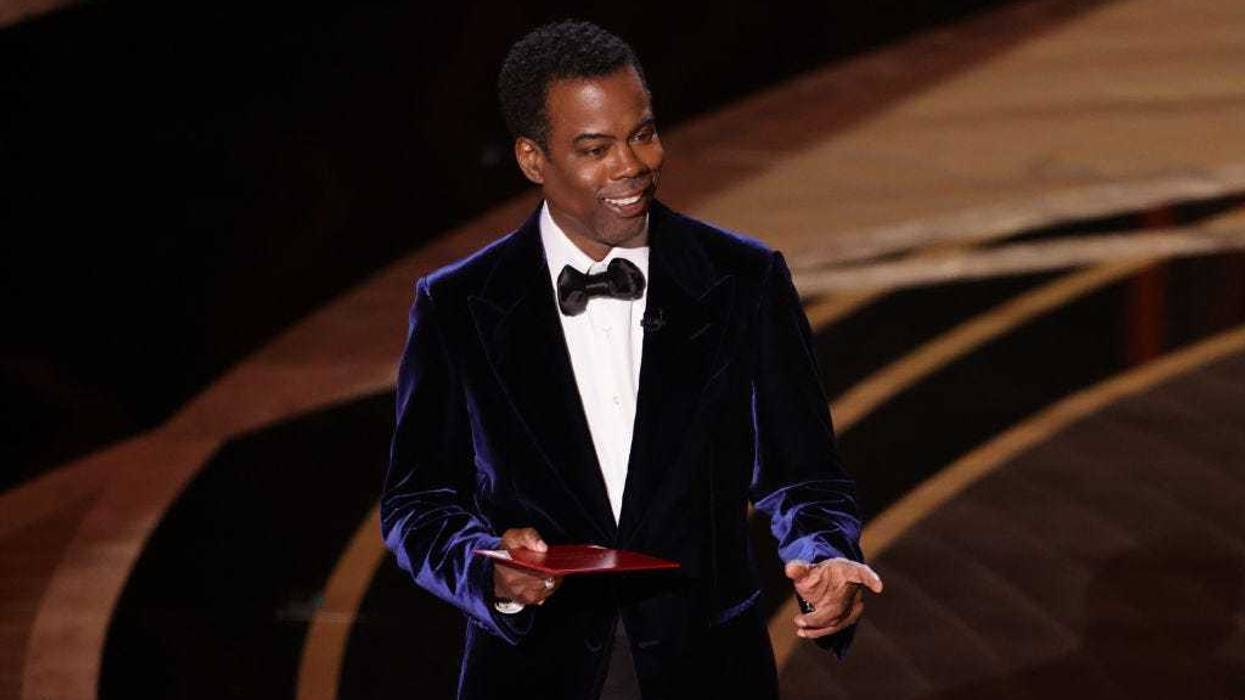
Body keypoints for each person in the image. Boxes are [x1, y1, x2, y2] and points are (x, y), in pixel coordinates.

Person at [381, 20, 882, 700]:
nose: (632, 165)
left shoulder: (743, 280)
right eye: (595, 148)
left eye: (642, 133)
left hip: (707, 670)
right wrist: (485, 569)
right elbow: (419, 501)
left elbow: (804, 476)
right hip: (532, 672)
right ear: (533, 160)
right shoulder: (457, 305)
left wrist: (825, 554)